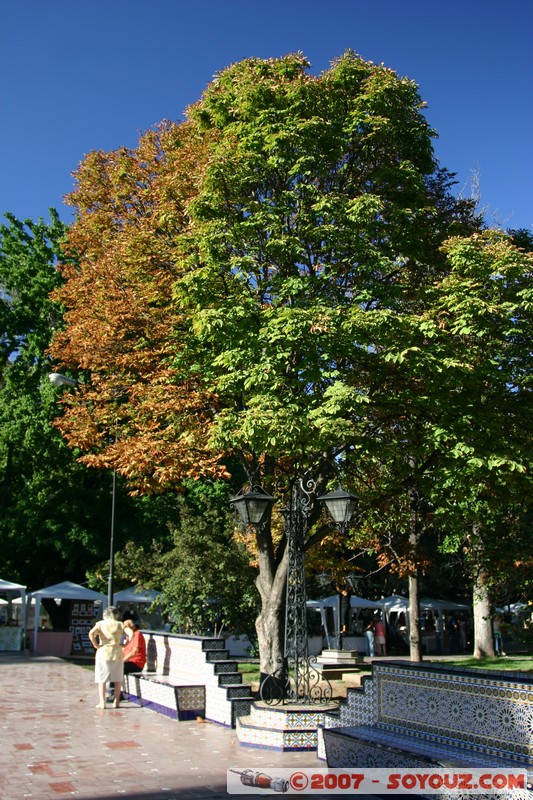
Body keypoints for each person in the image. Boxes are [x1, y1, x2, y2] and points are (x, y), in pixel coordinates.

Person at [89, 606, 124, 709]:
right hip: (117, 652)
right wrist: (125, 644)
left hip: (104, 651)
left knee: (102, 678)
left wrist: (95, 645)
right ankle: (116, 701)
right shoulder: (120, 624)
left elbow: (91, 633)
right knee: (118, 678)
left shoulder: (100, 624)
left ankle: (102, 702)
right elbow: (130, 634)